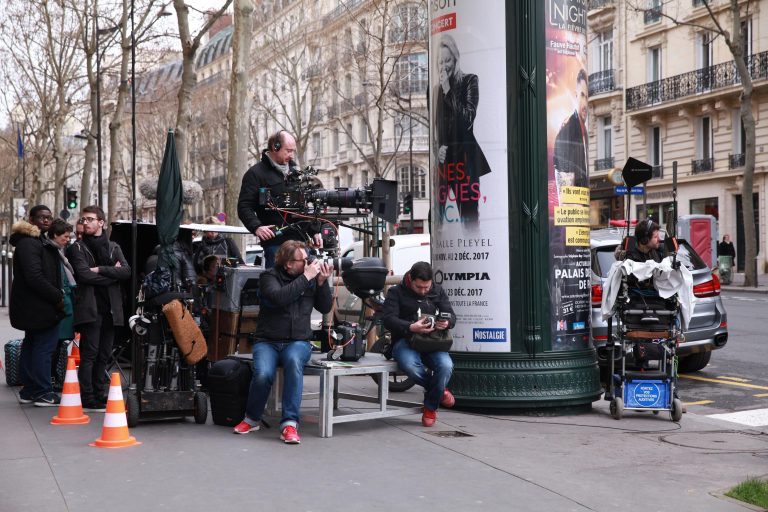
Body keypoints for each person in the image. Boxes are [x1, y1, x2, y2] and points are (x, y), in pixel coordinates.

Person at [233, 240, 332, 444]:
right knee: (262, 374)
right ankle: (252, 419)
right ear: (288, 263)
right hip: (267, 340)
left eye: (307, 259)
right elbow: (279, 298)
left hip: (298, 341)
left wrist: (322, 283)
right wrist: (307, 277)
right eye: (303, 260)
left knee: (294, 363)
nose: (308, 263)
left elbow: (324, 307)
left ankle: (289, 424)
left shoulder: (311, 278)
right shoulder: (269, 277)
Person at [67, 205, 131, 411]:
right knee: (90, 354)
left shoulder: (113, 247)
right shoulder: (77, 248)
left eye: (90, 219)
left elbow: (127, 272)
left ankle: (99, 391)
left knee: (104, 354)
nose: (85, 223)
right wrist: (112, 275)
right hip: (90, 308)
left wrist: (101, 270)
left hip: (111, 309)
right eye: (83, 219)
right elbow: (84, 275)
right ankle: (87, 397)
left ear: (101, 222)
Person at [380, 261, 456, 427]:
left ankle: (430, 405)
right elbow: (387, 319)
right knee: (410, 366)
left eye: (426, 287)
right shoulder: (396, 292)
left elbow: (451, 315)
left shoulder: (438, 290)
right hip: (405, 341)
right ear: (410, 279)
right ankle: (439, 392)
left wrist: (446, 322)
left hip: (433, 342)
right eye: (419, 287)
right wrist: (410, 327)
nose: (423, 291)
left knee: (446, 366)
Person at [237, 130, 322, 268]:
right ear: (275, 147)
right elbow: (244, 206)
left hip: (302, 242)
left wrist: (315, 231)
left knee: (311, 284)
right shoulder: (255, 174)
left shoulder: (297, 173)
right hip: (276, 244)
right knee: (277, 284)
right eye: (288, 151)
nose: (291, 155)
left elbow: (305, 207)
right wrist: (257, 227)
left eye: (293, 151)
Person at [9, 205, 65, 407]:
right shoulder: (29, 244)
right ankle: (42, 391)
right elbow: (35, 277)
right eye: (41, 217)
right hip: (38, 307)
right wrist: (57, 296)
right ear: (31, 220)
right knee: (43, 348)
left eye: (49, 217)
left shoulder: (35, 241)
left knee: (32, 345)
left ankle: (30, 390)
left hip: (35, 306)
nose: (46, 220)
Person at [433, 33, 491, 224]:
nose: (444, 66)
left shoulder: (469, 81)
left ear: (456, 59)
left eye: (447, 61)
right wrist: (437, 149)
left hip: (466, 163)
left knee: (470, 220)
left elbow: (467, 119)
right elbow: (435, 130)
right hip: (444, 168)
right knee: (440, 223)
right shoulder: (435, 91)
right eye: (440, 62)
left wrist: (449, 91)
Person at [553, 68, 589, 190]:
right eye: (582, 95)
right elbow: (565, 188)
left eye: (587, 98)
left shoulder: (584, 132)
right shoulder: (566, 134)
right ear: (576, 96)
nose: (585, 103)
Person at [46, 219, 77, 344]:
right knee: (53, 345)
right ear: (55, 235)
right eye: (66, 236)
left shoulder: (58, 251)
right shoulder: (51, 252)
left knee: (57, 345)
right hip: (60, 305)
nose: (68, 239)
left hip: (64, 304)